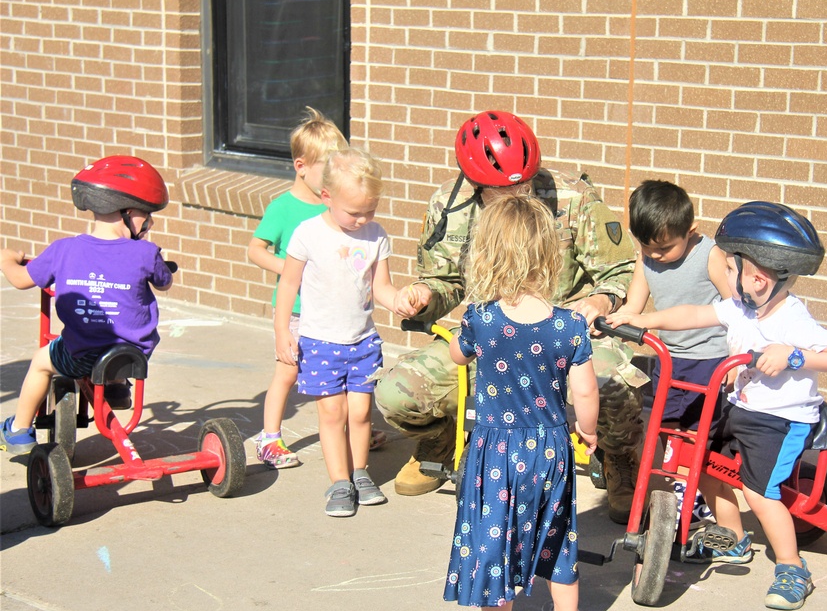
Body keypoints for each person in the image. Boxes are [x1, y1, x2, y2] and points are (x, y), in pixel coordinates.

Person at [375, 110, 647, 525]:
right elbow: (444, 280)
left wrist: (601, 302)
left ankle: (618, 457)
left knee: (612, 388)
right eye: (504, 188)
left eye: (525, 181)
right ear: (475, 183)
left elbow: (620, 272)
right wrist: (424, 295)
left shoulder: (573, 198)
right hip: (489, 336)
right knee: (398, 394)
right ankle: (439, 441)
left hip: (563, 333)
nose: (520, 191)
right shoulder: (450, 207)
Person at [606, 201, 827, 611]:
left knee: (760, 493)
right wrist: (642, 320)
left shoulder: (794, 320)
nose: (723, 273)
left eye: (730, 268)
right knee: (700, 457)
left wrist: (793, 355)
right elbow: (693, 313)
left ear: (757, 278)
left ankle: (793, 568)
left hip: (781, 419)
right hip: (742, 406)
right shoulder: (740, 308)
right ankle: (733, 539)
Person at [444, 195, 598, 611]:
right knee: (557, 532)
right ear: (549, 255)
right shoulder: (569, 326)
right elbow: (585, 390)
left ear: (487, 254)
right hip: (550, 447)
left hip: (495, 451)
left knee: (494, 539)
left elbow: (457, 354)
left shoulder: (482, 320)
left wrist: (465, 336)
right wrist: (587, 431)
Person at [274, 147, 418, 517]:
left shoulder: (376, 235)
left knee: (360, 413)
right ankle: (339, 482)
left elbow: (381, 287)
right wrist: (282, 332)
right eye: (354, 212)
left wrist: (399, 299)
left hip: (363, 341)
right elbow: (288, 285)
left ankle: (360, 473)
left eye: (370, 210)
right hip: (320, 341)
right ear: (327, 197)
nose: (362, 219)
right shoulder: (308, 234)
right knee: (332, 414)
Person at [0, 156, 174, 453]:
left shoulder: (63, 250)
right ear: (128, 212)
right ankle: (117, 385)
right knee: (119, 330)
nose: (150, 223)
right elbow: (164, 282)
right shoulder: (146, 252)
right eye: (147, 215)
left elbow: (20, 279)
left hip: (82, 356)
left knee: (42, 362)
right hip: (133, 357)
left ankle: (18, 430)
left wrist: (6, 259)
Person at [248, 107, 386, 469]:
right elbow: (255, 250)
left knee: (346, 382)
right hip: (296, 309)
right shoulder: (284, 208)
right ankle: (270, 436)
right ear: (301, 166)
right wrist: (296, 269)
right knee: (288, 370)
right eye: (326, 167)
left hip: (333, 313)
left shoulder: (341, 210)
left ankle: (355, 432)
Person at [616, 180, 731, 529]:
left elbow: (738, 309)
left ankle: (698, 499)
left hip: (709, 361)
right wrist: (616, 320)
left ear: (690, 231)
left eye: (664, 248)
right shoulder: (646, 259)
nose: (654, 256)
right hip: (668, 360)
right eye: (646, 247)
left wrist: (737, 361)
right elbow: (634, 306)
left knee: (698, 437)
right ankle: (672, 499)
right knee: (663, 432)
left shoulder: (709, 255)